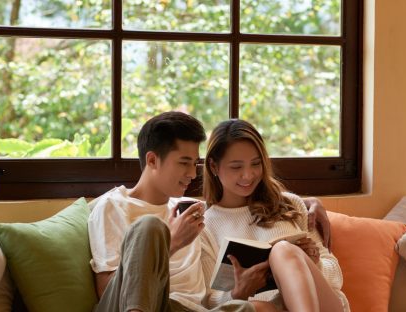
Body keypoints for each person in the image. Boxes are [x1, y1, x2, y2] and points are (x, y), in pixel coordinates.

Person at [87, 112, 330, 312]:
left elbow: (240, 206)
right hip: (138, 306)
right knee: (149, 227)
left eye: (194, 164)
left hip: (189, 309)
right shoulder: (113, 206)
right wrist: (170, 243)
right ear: (152, 161)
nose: (192, 174)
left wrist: (308, 203)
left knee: (257, 309)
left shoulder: (192, 211)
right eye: (184, 163)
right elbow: (107, 290)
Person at [200, 119, 349, 312]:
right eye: (236, 167)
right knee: (256, 307)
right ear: (213, 166)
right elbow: (207, 302)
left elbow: (336, 276)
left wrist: (314, 263)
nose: (248, 175)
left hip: (323, 307)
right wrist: (238, 292)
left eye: (256, 164)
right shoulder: (205, 226)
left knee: (283, 251)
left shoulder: (290, 204)